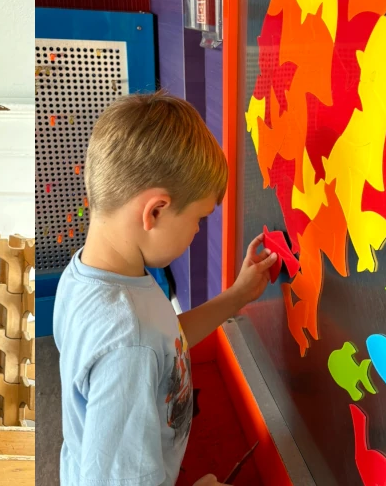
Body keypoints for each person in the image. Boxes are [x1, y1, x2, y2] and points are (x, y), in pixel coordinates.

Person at [54, 92, 277, 486]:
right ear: (155, 211)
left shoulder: (87, 275)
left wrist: (237, 296)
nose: (196, 232)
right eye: (199, 219)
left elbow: (165, 341)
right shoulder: (127, 343)